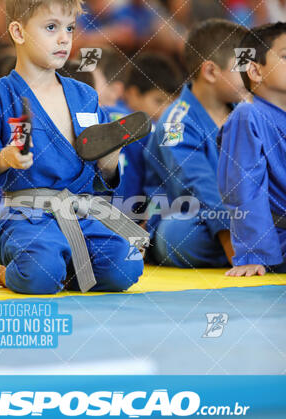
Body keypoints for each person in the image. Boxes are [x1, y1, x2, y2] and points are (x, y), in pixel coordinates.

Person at [0, 0, 147, 295]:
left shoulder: (84, 96)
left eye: (70, 28)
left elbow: (101, 176)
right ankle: (14, 271)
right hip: (27, 218)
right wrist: (3, 158)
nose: (64, 39)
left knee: (124, 265)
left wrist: (110, 161)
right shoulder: (0, 97)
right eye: (51, 27)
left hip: (82, 213)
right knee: (40, 271)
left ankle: (65, 270)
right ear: (17, 31)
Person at [143, 19, 248, 267]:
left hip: (244, 215)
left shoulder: (246, 113)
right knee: (177, 236)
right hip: (191, 213)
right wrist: (235, 247)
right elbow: (197, 184)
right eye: (243, 66)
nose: (252, 73)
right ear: (211, 71)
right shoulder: (175, 121)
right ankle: (261, 248)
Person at [218, 22, 286, 276]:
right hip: (276, 240)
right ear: (256, 71)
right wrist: (254, 252)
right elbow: (243, 187)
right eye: (285, 56)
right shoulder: (248, 117)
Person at [104, 52, 182, 218]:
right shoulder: (156, 129)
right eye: (159, 101)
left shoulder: (103, 112)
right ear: (132, 94)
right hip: (127, 218)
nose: (166, 111)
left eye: (172, 103)